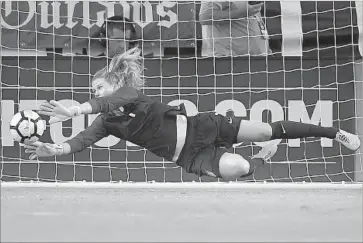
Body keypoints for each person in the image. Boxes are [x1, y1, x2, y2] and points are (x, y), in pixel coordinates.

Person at [24, 47, 361, 181]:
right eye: (92, 91)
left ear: (113, 84)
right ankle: (261, 159)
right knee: (240, 169)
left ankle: (333, 133)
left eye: (98, 88)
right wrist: (55, 150)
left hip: (202, 126)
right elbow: (81, 141)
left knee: (266, 130)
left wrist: (75, 108)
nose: (94, 94)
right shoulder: (105, 123)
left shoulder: (129, 94)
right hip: (188, 155)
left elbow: (108, 102)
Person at [199, 1, 272, 56]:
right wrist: (241, 13)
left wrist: (266, 50)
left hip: (259, 58)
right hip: (230, 61)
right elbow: (205, 17)